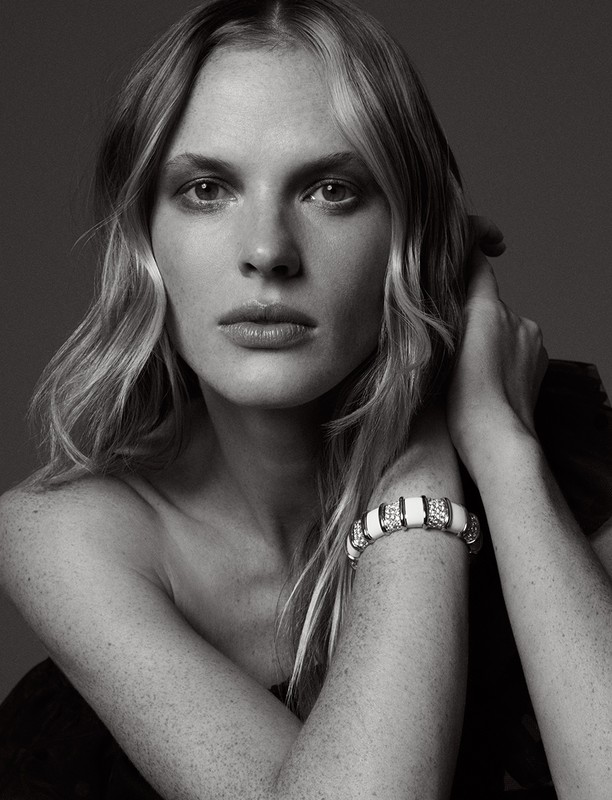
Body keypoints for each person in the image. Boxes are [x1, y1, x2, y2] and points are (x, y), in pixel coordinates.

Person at [0, 0, 611, 798]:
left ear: (413, 234)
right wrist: (422, 434)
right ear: (143, 234)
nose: (267, 251)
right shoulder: (71, 534)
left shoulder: (547, 451)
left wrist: (497, 443)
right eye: (207, 189)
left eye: (330, 189)